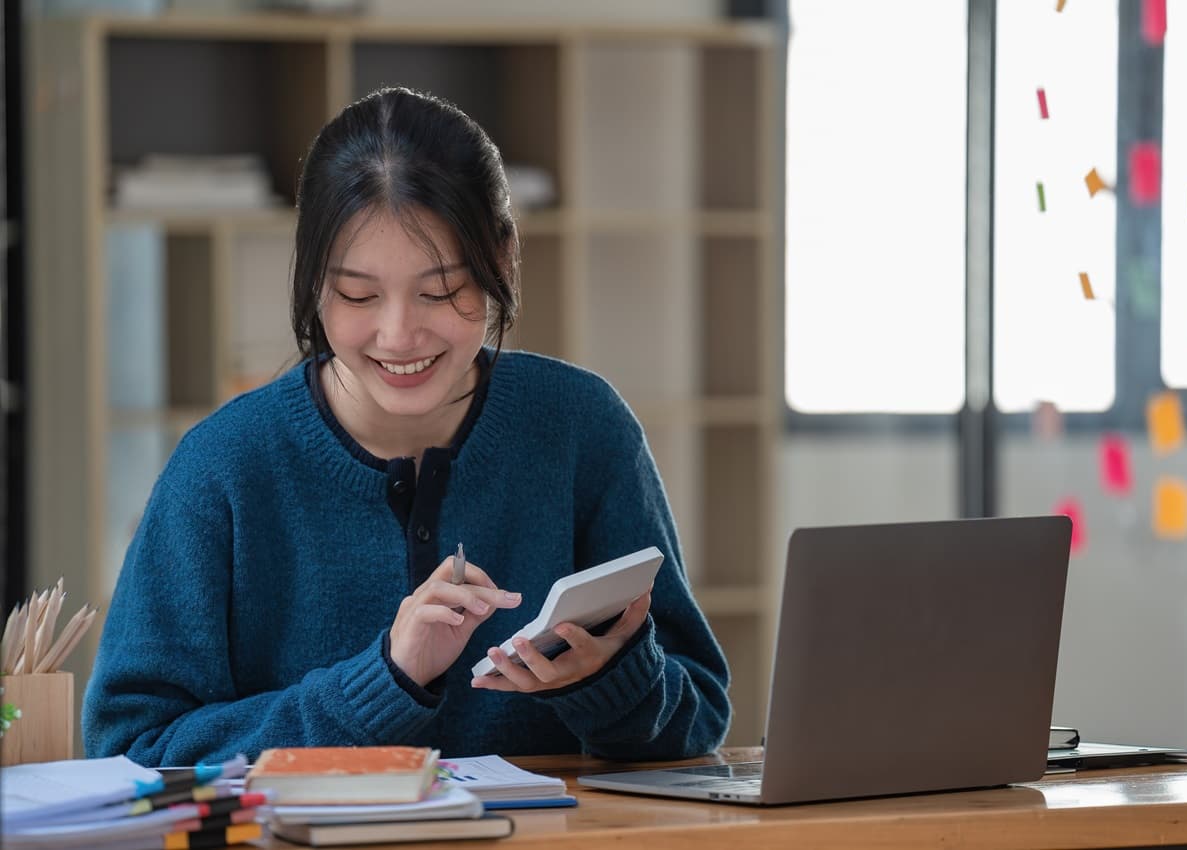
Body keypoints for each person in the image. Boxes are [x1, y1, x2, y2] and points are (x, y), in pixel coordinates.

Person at [82, 87, 731, 766]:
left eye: (441, 291)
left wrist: (611, 682)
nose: (398, 335)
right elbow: (131, 752)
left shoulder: (582, 428)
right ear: (311, 282)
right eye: (359, 295)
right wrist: (382, 682)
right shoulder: (224, 467)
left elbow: (699, 720)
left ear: (503, 259)